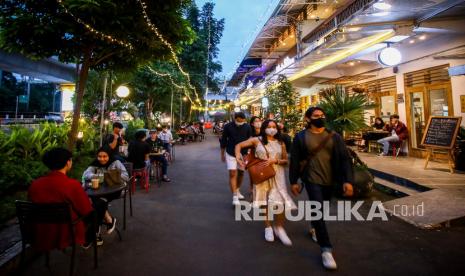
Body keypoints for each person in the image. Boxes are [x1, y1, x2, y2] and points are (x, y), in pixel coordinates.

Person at [289, 106, 354, 270]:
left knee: (321, 208)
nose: (320, 117)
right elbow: (295, 160)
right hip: (312, 179)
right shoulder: (301, 137)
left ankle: (313, 227)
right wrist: (293, 181)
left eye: (322, 115)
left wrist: (348, 181)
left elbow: (345, 159)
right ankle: (326, 250)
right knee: (317, 209)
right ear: (308, 119)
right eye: (316, 115)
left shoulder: (334, 136)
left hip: (331, 180)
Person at [29, 148, 105, 250]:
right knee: (101, 204)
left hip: (41, 230)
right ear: (68, 162)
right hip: (66, 231)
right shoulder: (72, 185)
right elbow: (86, 211)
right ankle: (88, 238)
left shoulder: (35, 184)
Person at [235, 120, 297, 245]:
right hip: (262, 175)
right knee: (264, 201)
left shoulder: (281, 142)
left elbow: (286, 161)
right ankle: (268, 227)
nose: (272, 129)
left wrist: (276, 161)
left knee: (280, 202)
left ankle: (279, 228)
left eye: (274, 127)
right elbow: (239, 145)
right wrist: (238, 155)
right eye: (269, 127)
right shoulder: (256, 140)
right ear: (264, 128)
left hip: (278, 176)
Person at [220, 112, 252, 205]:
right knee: (232, 173)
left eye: (242, 121)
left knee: (241, 172)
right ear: (235, 118)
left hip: (243, 153)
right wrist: (222, 153)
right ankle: (234, 196)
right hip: (230, 152)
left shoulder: (247, 127)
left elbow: (250, 140)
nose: (240, 123)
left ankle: (237, 189)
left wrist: (249, 152)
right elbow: (223, 140)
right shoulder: (228, 126)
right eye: (239, 121)